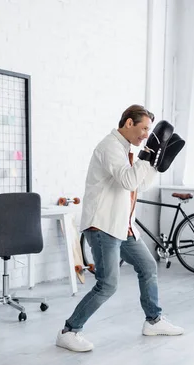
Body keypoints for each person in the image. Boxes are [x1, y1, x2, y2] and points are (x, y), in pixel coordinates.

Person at [56, 105, 185, 352]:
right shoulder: (109, 147)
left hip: (122, 225)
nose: (147, 135)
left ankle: (153, 320)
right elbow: (127, 180)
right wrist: (147, 154)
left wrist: (156, 164)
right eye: (144, 128)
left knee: (148, 267)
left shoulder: (126, 149)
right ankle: (69, 331)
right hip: (103, 225)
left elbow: (139, 185)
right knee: (108, 285)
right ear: (128, 123)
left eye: (149, 130)